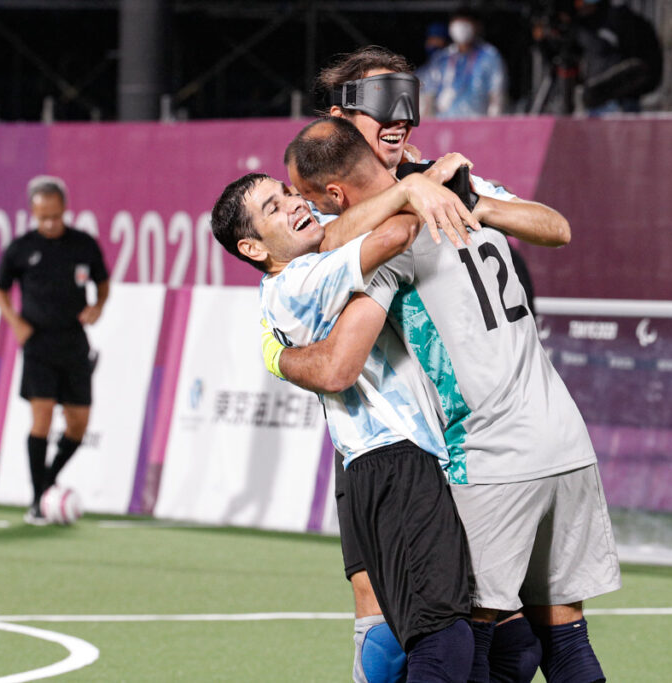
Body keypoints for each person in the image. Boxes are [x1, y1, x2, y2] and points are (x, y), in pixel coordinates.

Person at [282, 117, 621, 683]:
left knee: (469, 646)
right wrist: (461, 199)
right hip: (565, 440)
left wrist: (280, 355)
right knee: (565, 640)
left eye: (311, 200)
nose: (309, 212)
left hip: (487, 451)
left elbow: (323, 262)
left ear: (336, 195)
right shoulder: (467, 192)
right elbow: (557, 227)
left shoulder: (387, 244)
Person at [312, 46, 567, 683]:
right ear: (341, 116)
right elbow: (320, 245)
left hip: (460, 440)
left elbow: (553, 225)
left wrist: (473, 201)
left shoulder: (447, 178)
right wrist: (408, 192)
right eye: (377, 102)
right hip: (373, 442)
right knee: (386, 632)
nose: (398, 116)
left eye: (405, 98)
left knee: (501, 634)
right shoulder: (325, 191)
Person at [211, 165, 479, 682]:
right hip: (395, 460)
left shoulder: (289, 287)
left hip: (372, 465)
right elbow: (399, 233)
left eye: (288, 193)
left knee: (394, 635)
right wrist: (410, 186)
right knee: (443, 638)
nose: (294, 203)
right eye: (273, 207)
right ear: (252, 249)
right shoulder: (302, 279)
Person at [0, 176, 110, 525]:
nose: (49, 223)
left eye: (55, 216)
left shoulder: (83, 245)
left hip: (74, 343)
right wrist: (16, 323)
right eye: (43, 217)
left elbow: (102, 284)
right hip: (38, 344)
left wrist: (97, 306)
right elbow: (0, 290)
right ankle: (36, 499)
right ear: (33, 212)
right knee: (41, 417)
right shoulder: (20, 248)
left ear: (64, 210)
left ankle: (48, 481)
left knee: (78, 424)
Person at [570, 0, 663, 115]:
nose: (579, 7)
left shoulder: (621, 21)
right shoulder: (584, 27)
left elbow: (646, 65)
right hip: (595, 101)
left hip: (621, 101)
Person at [418, 7, 507, 118]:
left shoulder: (490, 56)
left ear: (477, 26)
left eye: (466, 22)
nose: (461, 27)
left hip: (478, 125)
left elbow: (496, 95)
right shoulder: (442, 58)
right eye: (457, 22)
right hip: (445, 128)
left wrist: (493, 126)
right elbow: (429, 96)